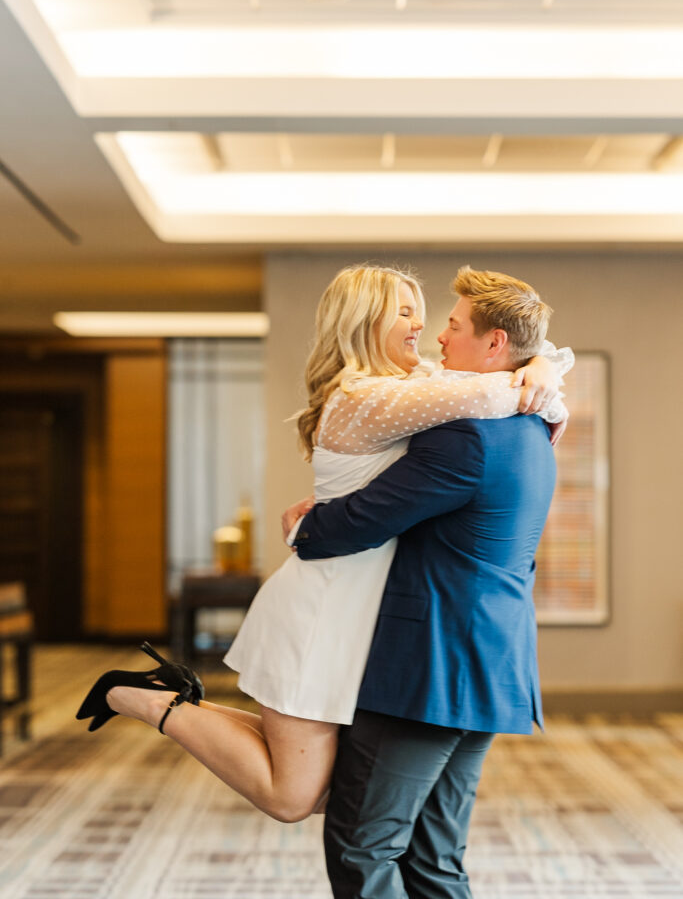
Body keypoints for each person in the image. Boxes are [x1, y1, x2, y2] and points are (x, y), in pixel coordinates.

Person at [76, 264, 570, 827]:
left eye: (424, 313)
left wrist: (541, 363)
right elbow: (494, 390)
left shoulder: (416, 388)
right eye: (405, 312)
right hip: (324, 607)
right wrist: (538, 376)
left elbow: (500, 376)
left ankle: (171, 694)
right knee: (293, 797)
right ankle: (139, 699)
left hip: (360, 610)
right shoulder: (366, 396)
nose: (424, 328)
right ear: (363, 321)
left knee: (318, 779)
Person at [285, 264, 565, 898]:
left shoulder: (468, 437)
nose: (439, 337)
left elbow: (361, 520)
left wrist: (305, 525)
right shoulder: (536, 427)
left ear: (494, 346)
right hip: (493, 664)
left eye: (454, 325)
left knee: (363, 845)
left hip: (430, 670)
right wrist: (542, 364)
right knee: (433, 857)